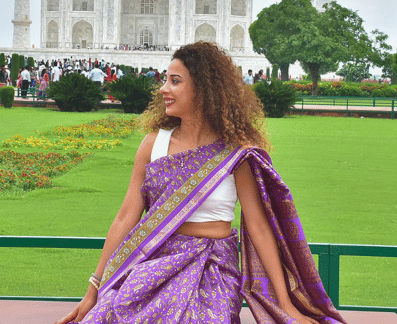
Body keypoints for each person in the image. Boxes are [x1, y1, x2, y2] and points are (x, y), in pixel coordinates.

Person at [56, 41, 345, 324]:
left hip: (213, 269)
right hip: (154, 266)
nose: (163, 89)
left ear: (204, 89)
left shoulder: (235, 153)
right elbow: (125, 217)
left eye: (175, 81)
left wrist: (285, 304)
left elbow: (258, 227)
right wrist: (93, 291)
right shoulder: (153, 145)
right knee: (112, 314)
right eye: (165, 80)